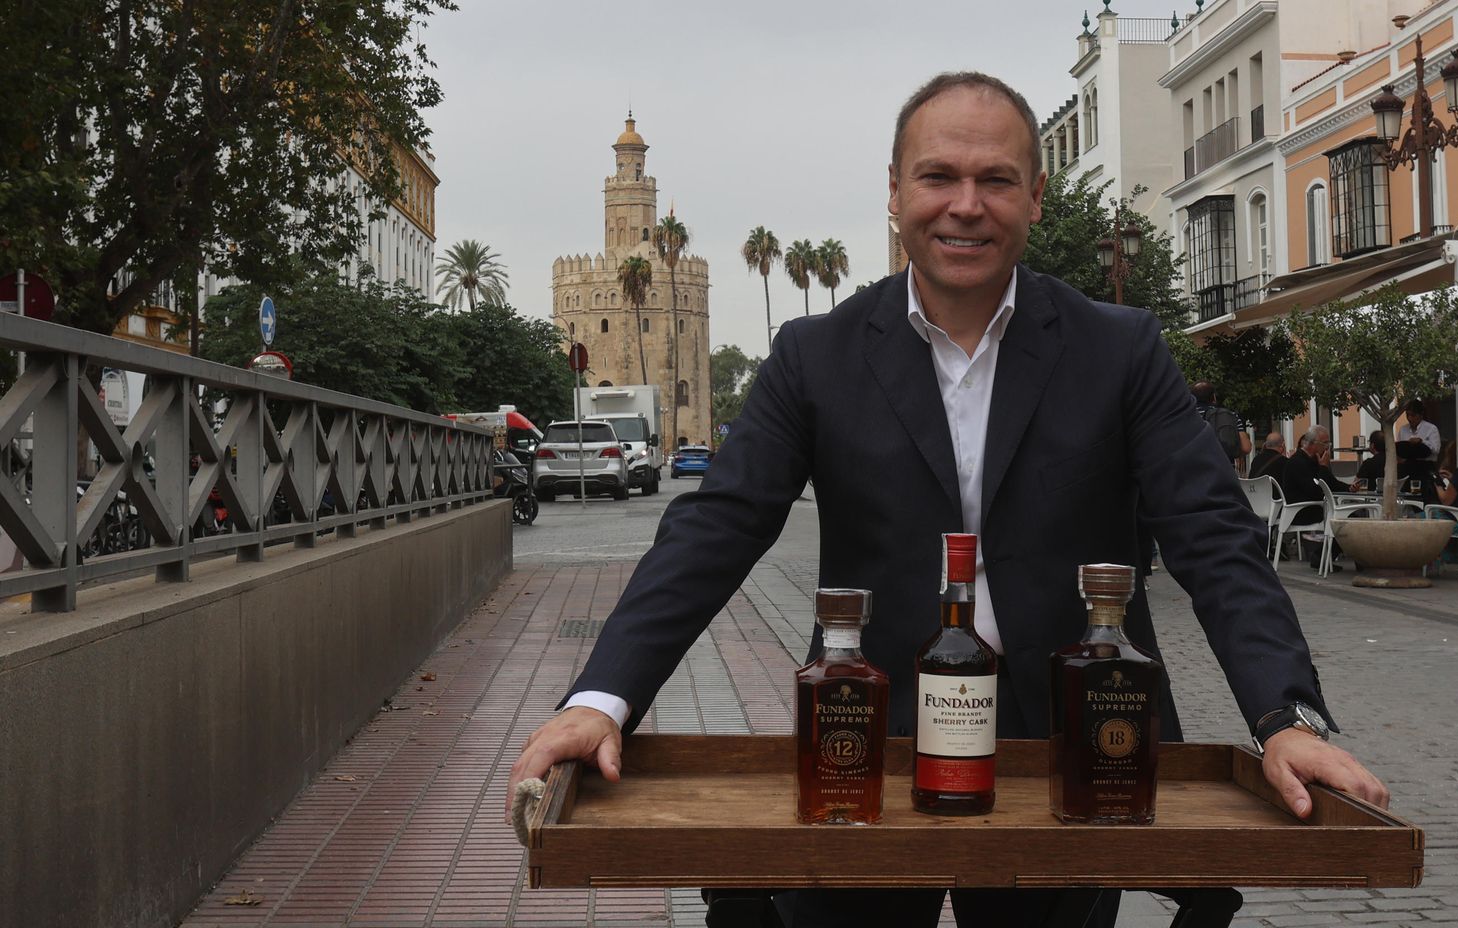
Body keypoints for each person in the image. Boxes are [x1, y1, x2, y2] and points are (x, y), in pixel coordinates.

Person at [504, 72, 1387, 928]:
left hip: (1072, 746)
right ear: (895, 193)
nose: (966, 205)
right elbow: (715, 527)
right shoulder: (816, 355)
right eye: (938, 177)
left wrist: (1287, 717)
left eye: (995, 179)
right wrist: (601, 700)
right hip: (864, 740)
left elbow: (1214, 537)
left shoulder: (1118, 350)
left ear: (1035, 197)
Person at [1280, 426, 1350, 570]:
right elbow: (1316, 491)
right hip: (1302, 510)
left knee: (1351, 517)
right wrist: (1323, 468)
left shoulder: (1315, 460)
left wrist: (1349, 488)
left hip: (1316, 506)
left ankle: (1324, 556)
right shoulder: (1297, 462)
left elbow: (1332, 483)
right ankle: (1321, 556)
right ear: (1313, 444)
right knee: (1346, 519)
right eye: (1325, 443)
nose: (1328, 447)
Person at [1193, 381, 1251, 471]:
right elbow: (1246, 448)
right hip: (1224, 472)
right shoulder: (1230, 416)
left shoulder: (1184, 417)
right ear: (1214, 398)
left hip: (1193, 472)